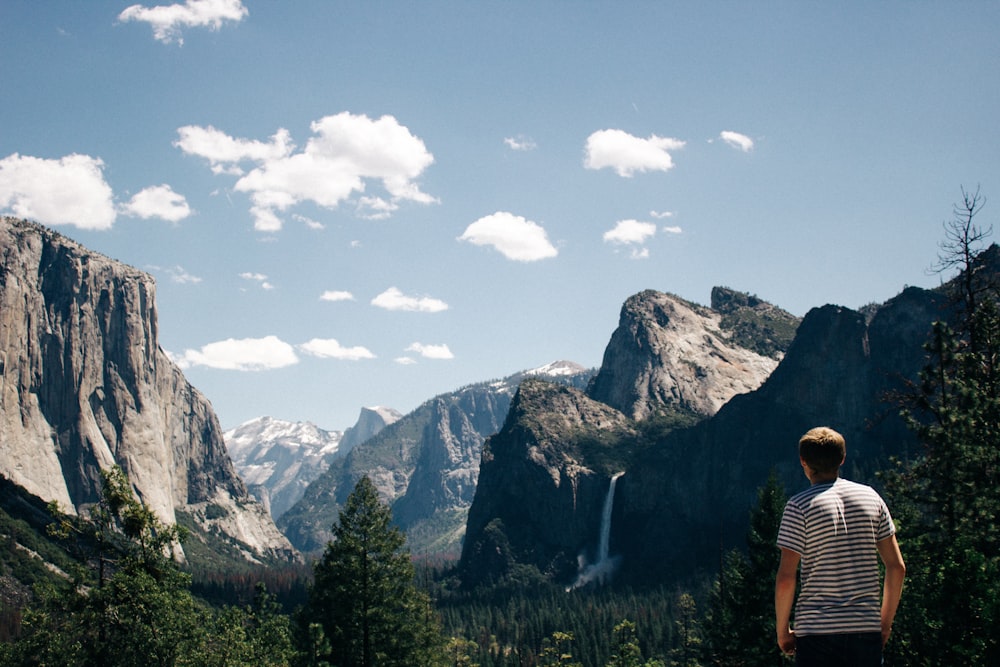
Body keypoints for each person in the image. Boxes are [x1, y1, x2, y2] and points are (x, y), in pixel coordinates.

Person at [774, 426, 905, 665]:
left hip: (816, 634)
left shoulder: (798, 507)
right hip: (865, 632)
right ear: (842, 459)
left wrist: (783, 630)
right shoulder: (871, 498)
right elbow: (896, 567)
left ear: (803, 461)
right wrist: (883, 624)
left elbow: (786, 577)